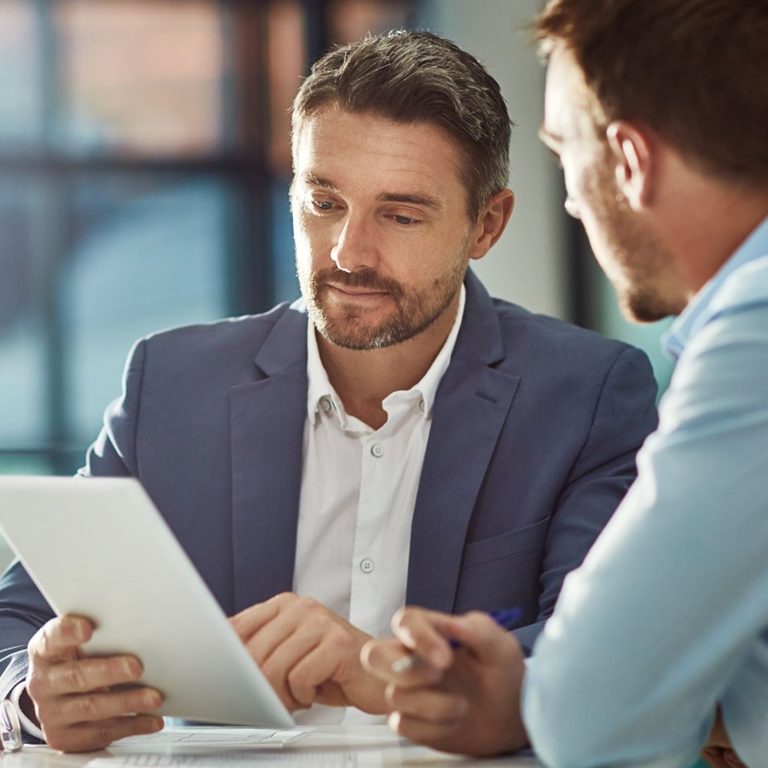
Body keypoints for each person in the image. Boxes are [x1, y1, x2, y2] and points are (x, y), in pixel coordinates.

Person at [0, 31, 657, 754]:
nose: (349, 253)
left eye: (401, 216)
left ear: (486, 225)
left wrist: (381, 671)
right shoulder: (171, 386)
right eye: (323, 203)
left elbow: (608, 655)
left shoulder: (588, 394)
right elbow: (16, 626)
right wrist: (32, 696)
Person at [362, 3, 768, 768]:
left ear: (630, 159)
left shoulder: (757, 328)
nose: (573, 201)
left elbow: (595, 718)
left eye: (564, 154)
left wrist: (540, 695)